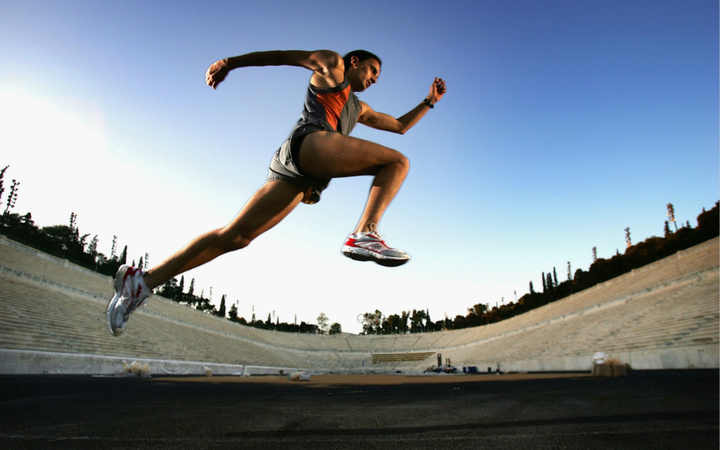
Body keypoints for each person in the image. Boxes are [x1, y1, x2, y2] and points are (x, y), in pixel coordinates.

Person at [106, 49, 446, 336]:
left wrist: (429, 101)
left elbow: (399, 126)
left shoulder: (361, 108)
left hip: (297, 173)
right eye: (373, 70)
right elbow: (284, 57)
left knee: (236, 237)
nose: (375, 78)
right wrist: (230, 62)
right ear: (355, 61)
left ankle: (143, 281)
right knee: (397, 163)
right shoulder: (333, 66)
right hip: (311, 142)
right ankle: (364, 233)